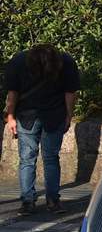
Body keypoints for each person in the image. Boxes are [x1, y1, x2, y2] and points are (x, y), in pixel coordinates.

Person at [4, 44, 80, 215]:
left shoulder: (18, 61)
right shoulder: (66, 62)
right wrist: (68, 115)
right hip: (53, 115)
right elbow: (70, 93)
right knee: (51, 158)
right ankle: (53, 200)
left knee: (27, 159)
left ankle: (27, 202)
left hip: (26, 116)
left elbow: (12, 93)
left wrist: (10, 116)